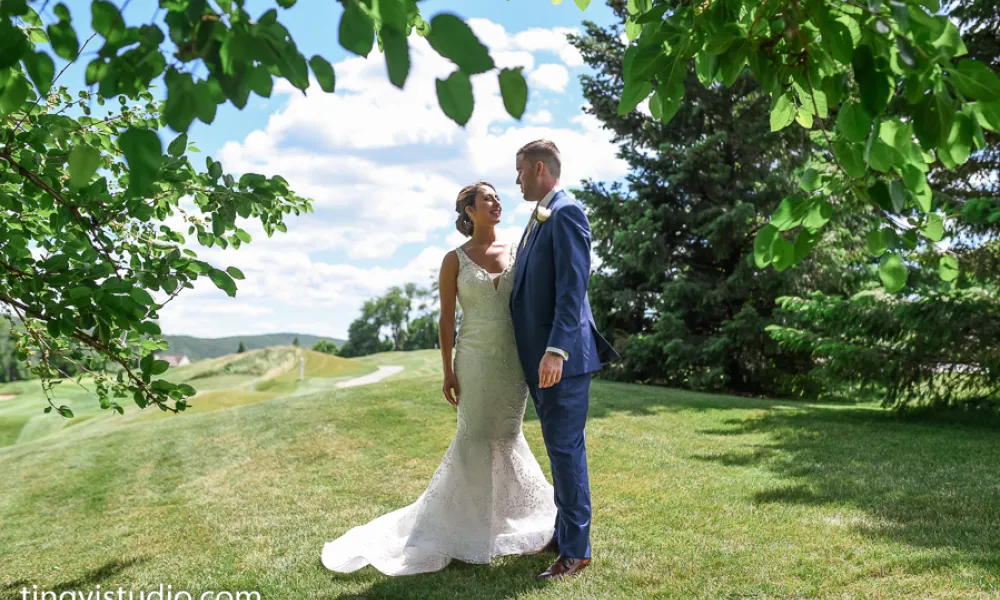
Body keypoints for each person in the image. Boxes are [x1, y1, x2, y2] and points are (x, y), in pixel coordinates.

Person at [320, 181, 557, 576]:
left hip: (512, 360)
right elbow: (446, 319)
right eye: (487, 198)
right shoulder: (454, 260)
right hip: (474, 358)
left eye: (498, 196)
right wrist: (447, 369)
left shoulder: (519, 250)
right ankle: (457, 527)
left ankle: (510, 522)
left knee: (508, 435)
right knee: (475, 436)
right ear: (468, 211)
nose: (497, 202)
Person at [510, 139, 620, 580]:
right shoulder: (541, 217)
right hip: (541, 359)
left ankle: (577, 552)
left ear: (539, 169)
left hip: (562, 361)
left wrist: (556, 350)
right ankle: (563, 534)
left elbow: (574, 287)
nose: (516, 180)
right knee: (559, 451)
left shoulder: (567, 212)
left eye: (519, 172)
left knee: (567, 452)